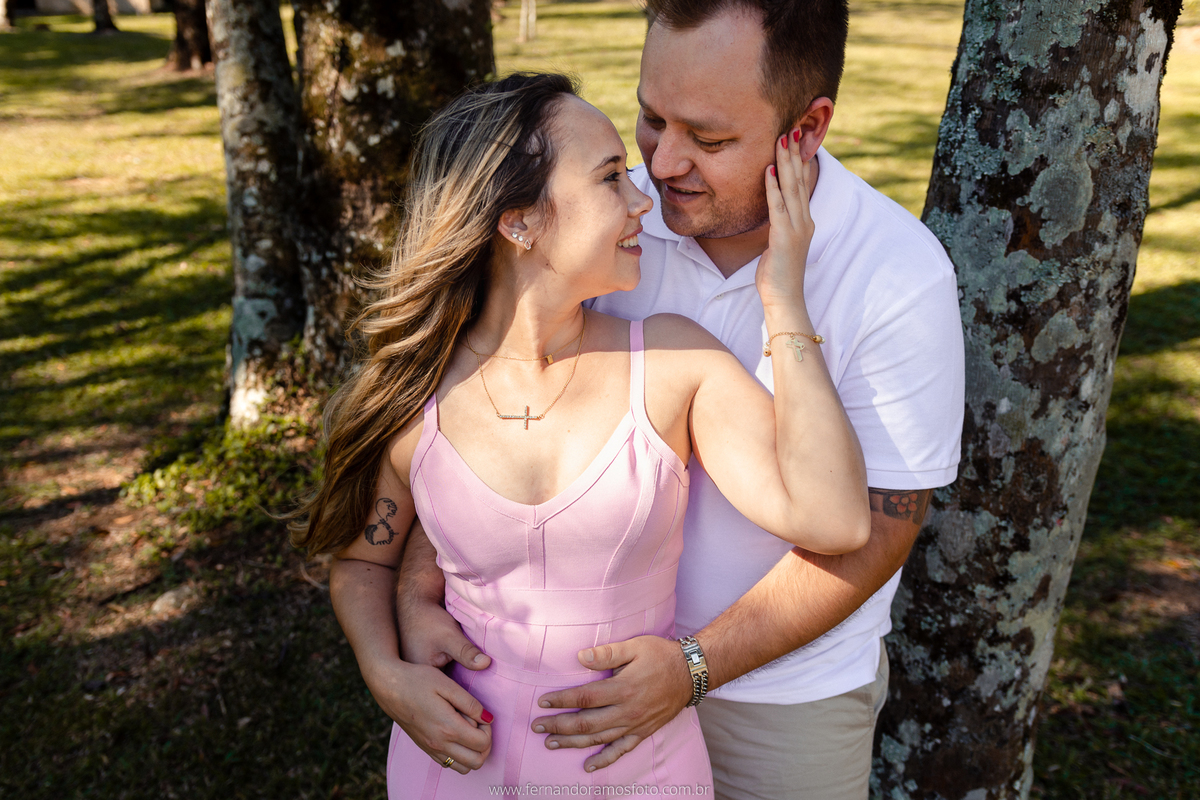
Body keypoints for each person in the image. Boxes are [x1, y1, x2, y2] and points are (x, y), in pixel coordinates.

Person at [388, 2, 966, 798]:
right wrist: (421, 588)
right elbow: (489, 415)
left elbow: (879, 528)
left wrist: (695, 667)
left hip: (781, 701)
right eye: (651, 119)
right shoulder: (601, 222)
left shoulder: (898, 275)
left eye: (709, 137)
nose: (659, 168)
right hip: (565, 691)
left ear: (808, 126)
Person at [294, 72, 871, 797]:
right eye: (609, 178)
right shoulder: (416, 392)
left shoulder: (671, 365)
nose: (644, 198)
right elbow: (361, 565)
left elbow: (837, 517)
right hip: (451, 775)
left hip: (638, 777)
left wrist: (784, 296)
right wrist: (385, 675)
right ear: (519, 221)